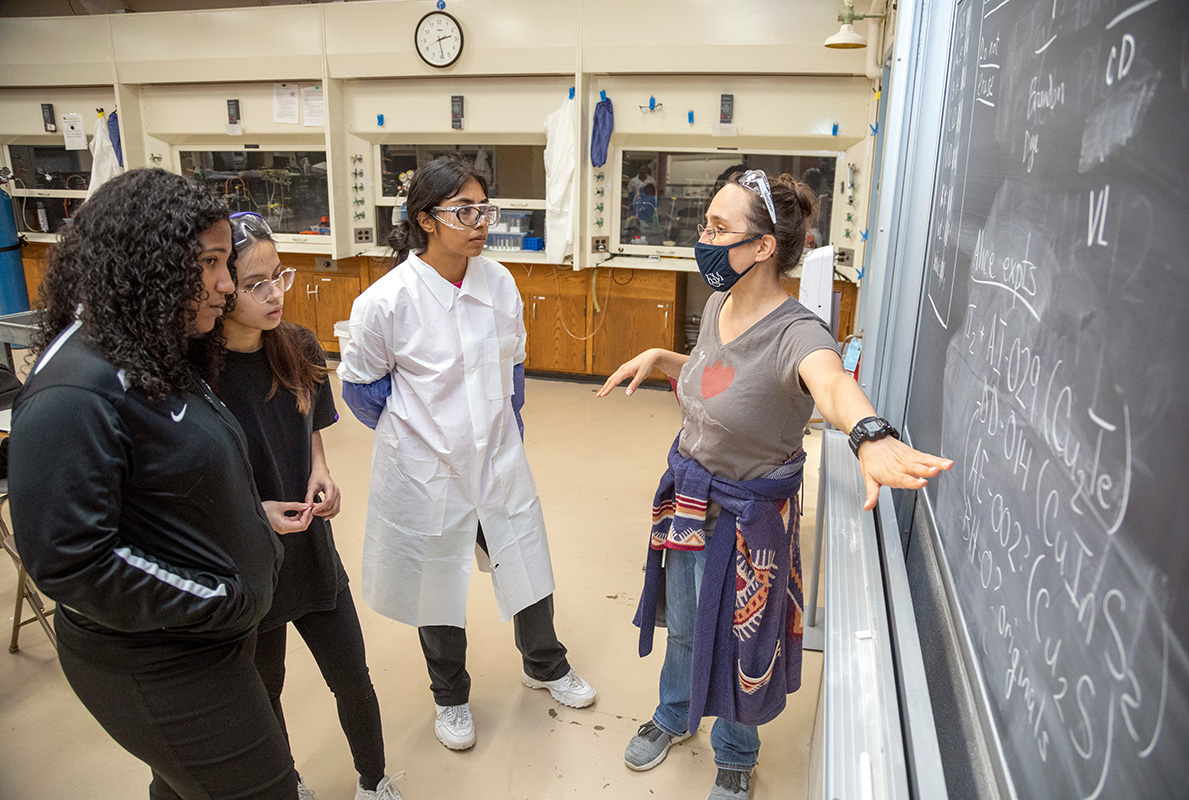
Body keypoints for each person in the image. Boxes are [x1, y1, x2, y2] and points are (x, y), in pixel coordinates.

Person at [598, 169, 953, 800]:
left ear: (763, 246)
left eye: (716, 228)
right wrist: (662, 358)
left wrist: (869, 432)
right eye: (704, 224)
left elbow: (832, 383)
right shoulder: (718, 304)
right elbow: (722, 379)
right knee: (683, 622)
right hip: (689, 501)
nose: (702, 238)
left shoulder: (800, 333)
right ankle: (675, 714)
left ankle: (736, 751)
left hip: (746, 520)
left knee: (743, 644)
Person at [7, 168, 297, 799]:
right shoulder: (74, 395)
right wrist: (220, 598)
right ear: (151, 262)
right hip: (159, 659)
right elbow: (72, 560)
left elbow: (169, 478)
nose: (225, 284)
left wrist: (245, 514)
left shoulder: (149, 348)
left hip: (205, 641)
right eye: (213, 263)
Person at [337, 154, 596, 753]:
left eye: (485, 208)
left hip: (499, 460)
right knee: (438, 582)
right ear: (426, 220)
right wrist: (423, 443)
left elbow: (515, 366)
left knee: (524, 557)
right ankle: (450, 696)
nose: (481, 222)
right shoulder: (385, 301)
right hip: (431, 470)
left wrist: (506, 429)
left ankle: (545, 663)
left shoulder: (498, 282)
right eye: (465, 211)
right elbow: (362, 391)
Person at [214, 212, 404, 800]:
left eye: (280, 277)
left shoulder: (295, 345)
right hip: (252, 558)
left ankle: (373, 782)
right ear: (221, 289)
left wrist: (321, 470)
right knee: (263, 688)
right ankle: (287, 780)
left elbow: (310, 426)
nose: (274, 295)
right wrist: (255, 512)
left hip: (311, 549)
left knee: (353, 675)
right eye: (256, 284)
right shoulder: (202, 373)